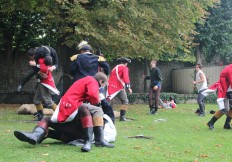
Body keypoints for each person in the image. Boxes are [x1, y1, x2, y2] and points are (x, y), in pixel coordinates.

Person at [14, 72, 115, 152]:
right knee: (97, 109)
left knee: (47, 119)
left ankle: (36, 135)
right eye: (102, 85)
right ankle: (98, 140)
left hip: (64, 106)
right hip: (76, 112)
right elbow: (93, 95)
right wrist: (96, 102)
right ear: (101, 81)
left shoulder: (83, 80)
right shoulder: (92, 81)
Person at [69, 41, 115, 123]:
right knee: (100, 99)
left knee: (76, 101)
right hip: (93, 84)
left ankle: (76, 118)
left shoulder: (77, 57)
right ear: (90, 51)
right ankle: (107, 117)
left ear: (81, 51)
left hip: (79, 85)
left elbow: (71, 71)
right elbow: (107, 68)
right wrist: (105, 75)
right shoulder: (97, 58)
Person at [17, 46, 59, 121]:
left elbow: (45, 68)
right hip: (42, 81)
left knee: (48, 100)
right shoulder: (41, 57)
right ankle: (40, 117)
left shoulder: (41, 59)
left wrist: (35, 65)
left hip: (45, 81)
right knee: (36, 100)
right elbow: (39, 69)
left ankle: (60, 114)